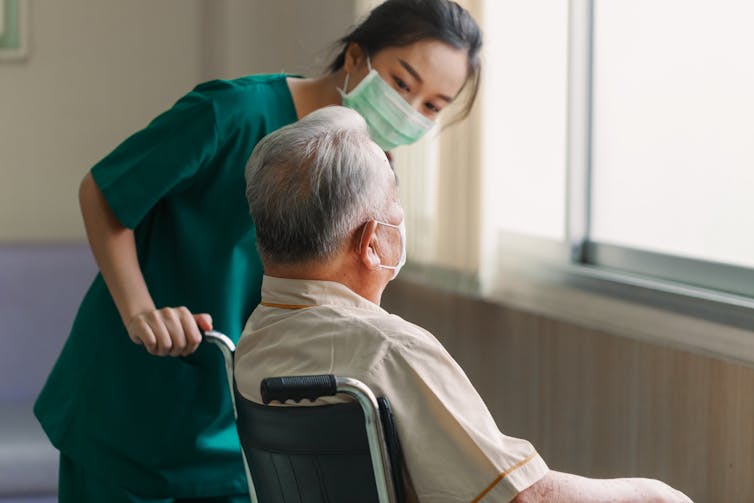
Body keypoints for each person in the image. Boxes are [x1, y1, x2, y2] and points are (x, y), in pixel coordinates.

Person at [33, 1, 482, 501]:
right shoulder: (232, 113)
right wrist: (141, 312)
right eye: (402, 84)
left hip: (242, 430)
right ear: (356, 57)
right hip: (132, 406)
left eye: (432, 106)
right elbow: (104, 192)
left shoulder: (371, 171)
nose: (410, 111)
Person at [234, 106, 693, 503]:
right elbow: (523, 497)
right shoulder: (387, 352)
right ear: (372, 243)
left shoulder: (254, 344)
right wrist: (653, 493)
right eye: (395, 210)